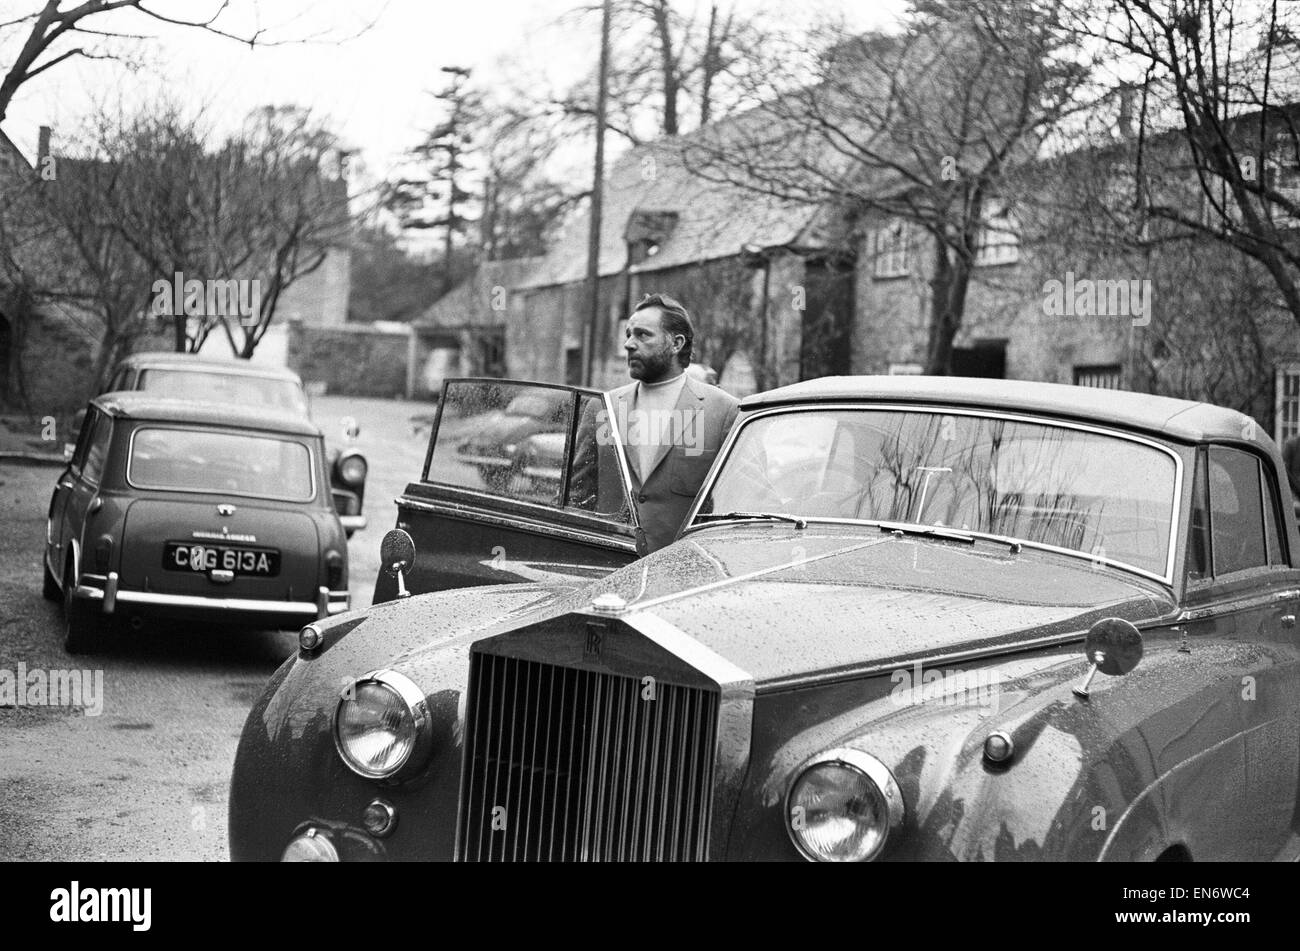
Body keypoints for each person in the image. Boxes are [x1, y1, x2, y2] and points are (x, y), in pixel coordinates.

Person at [608, 293, 739, 552]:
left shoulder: (724, 411)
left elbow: (741, 503)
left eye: (643, 335)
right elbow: (580, 498)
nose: (629, 345)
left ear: (676, 343)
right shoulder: (604, 408)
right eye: (628, 335)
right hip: (606, 569)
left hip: (682, 574)